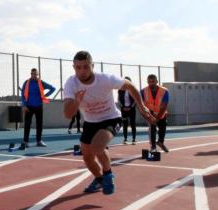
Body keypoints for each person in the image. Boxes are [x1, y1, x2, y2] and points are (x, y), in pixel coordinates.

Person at [63, 50, 155, 195]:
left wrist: (142, 106)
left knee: (97, 146)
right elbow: (68, 114)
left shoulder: (105, 79)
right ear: (73, 67)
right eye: (78, 67)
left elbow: (129, 85)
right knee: (87, 157)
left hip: (110, 118)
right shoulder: (71, 83)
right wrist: (77, 101)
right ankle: (99, 179)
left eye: (86, 67)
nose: (82, 71)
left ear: (92, 66)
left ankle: (108, 175)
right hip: (90, 121)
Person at [19, 68, 56, 149]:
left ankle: (39, 141)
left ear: (38, 74)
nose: (33, 75)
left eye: (35, 74)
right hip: (28, 107)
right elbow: (22, 94)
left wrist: (45, 96)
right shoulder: (26, 83)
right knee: (27, 124)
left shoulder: (41, 82)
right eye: (32, 74)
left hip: (39, 106)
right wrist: (24, 105)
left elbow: (53, 88)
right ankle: (26, 142)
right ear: (30, 74)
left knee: (39, 124)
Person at [141, 74, 169, 153]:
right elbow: (140, 105)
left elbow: (164, 106)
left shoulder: (164, 91)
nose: (151, 83)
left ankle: (160, 142)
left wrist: (157, 118)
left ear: (157, 81)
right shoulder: (143, 91)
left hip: (161, 113)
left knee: (162, 128)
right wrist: (147, 117)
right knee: (152, 128)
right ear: (147, 82)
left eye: (153, 81)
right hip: (150, 113)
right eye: (149, 82)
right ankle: (153, 146)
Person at [118, 76, 137, 144]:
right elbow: (119, 99)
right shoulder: (120, 89)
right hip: (124, 110)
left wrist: (130, 107)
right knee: (125, 124)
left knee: (132, 124)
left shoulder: (133, 89)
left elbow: (136, 99)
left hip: (131, 109)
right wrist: (123, 107)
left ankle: (134, 139)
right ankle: (125, 139)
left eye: (128, 81)